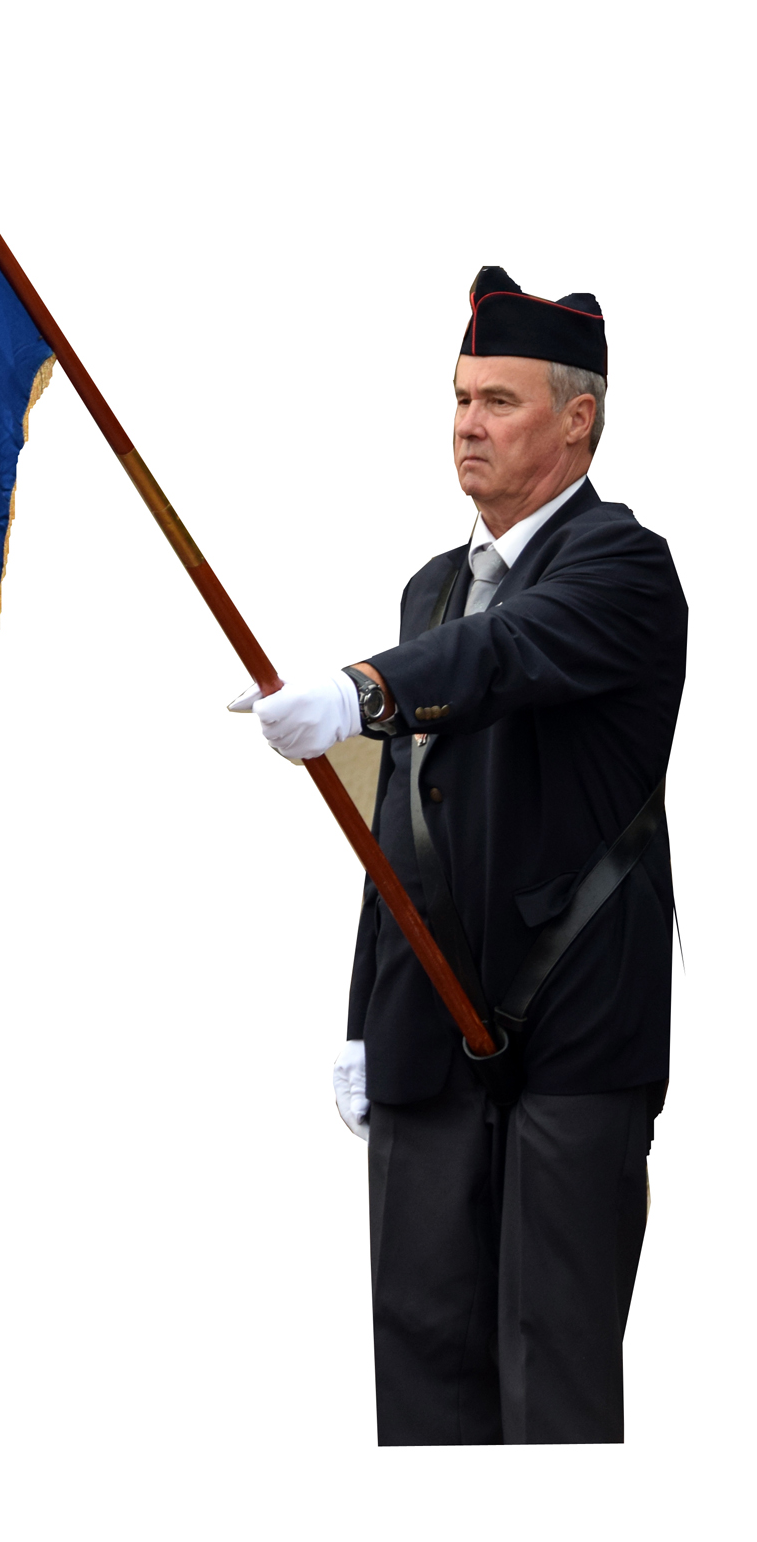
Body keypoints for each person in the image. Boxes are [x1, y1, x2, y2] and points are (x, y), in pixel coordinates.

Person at [230, 267, 686, 1445]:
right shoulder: (431, 590)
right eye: (458, 398)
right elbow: (397, 834)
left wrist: (357, 691)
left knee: (552, 1383)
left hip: (572, 1043)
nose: (466, 425)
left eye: (497, 400)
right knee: (421, 1378)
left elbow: (506, 655)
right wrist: (359, 1017)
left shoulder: (622, 567)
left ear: (575, 418)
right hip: (427, 1031)